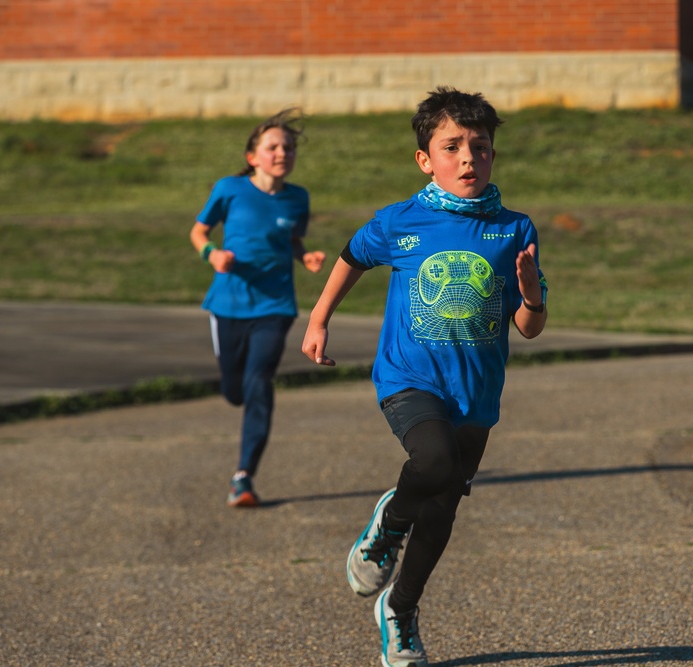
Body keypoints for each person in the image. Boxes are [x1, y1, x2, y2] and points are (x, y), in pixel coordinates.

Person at [301, 87, 548, 667]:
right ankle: (389, 523)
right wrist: (318, 319)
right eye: (452, 147)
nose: (468, 159)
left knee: (443, 507)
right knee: (432, 463)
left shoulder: (514, 228)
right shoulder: (399, 222)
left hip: (477, 394)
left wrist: (532, 296)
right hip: (408, 377)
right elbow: (351, 256)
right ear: (425, 159)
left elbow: (529, 327)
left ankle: (400, 610)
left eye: (480, 147)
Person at [190, 108, 326, 508]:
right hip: (228, 304)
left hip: (275, 305)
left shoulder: (298, 198)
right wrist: (212, 255)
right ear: (253, 156)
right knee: (235, 391)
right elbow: (198, 232)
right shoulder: (229, 189)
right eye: (272, 147)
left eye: (287, 147)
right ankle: (237, 398)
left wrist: (306, 258)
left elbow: (293, 241)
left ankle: (243, 476)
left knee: (259, 383)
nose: (281, 152)